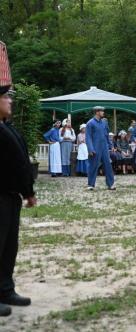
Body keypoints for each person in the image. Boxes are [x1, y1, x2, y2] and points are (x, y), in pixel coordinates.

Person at [0, 85, 36, 317]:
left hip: (11, 195)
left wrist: (27, 191)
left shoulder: (6, 127)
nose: (9, 101)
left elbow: (20, 161)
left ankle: (5, 289)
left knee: (8, 246)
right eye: (4, 97)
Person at [86, 106, 115, 190]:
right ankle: (91, 184)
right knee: (93, 166)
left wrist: (111, 145)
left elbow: (107, 135)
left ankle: (110, 184)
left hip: (104, 148)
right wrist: (90, 149)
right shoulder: (90, 123)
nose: (103, 112)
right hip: (95, 148)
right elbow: (88, 137)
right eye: (102, 111)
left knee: (108, 166)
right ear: (97, 112)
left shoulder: (104, 122)